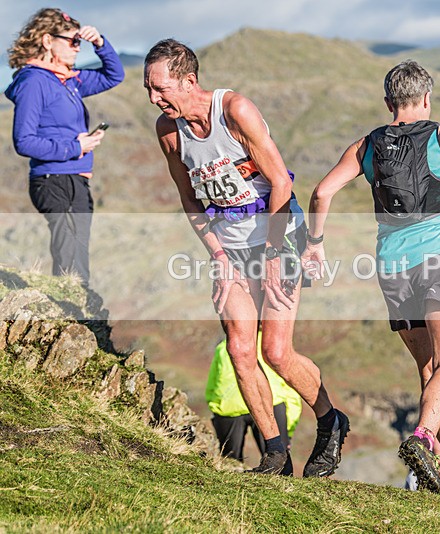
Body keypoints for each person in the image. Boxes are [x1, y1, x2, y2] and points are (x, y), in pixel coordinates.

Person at [144, 39, 348, 477]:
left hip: (277, 232)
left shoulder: (235, 111)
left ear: (189, 80)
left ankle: (332, 421)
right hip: (230, 244)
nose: (154, 99)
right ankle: (275, 453)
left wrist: (274, 255)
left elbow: (280, 183)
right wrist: (217, 255)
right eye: (148, 89)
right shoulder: (168, 131)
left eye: (161, 89)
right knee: (239, 348)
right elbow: (189, 199)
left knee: (275, 351)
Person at [301, 60, 440, 495]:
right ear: (427, 98)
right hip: (439, 256)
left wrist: (315, 242)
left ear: (389, 102)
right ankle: (423, 439)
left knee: (430, 370)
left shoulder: (367, 146)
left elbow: (321, 191)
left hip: (392, 264)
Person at [5, 8, 124, 286]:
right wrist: (75, 146)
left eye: (79, 43)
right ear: (48, 41)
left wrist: (100, 44)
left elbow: (113, 76)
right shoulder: (34, 81)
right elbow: (23, 141)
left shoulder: (68, 79)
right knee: (71, 260)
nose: (77, 48)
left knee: (77, 256)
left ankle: (78, 316)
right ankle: (72, 318)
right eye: (72, 41)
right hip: (54, 180)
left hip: (76, 180)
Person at [206, 334, 303, 475]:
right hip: (269, 404)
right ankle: (286, 489)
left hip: (229, 409)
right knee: (280, 457)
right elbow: (290, 387)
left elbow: (213, 382)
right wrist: (288, 430)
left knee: (229, 461)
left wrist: (216, 406)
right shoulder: (271, 343)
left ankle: (232, 491)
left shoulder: (225, 346)